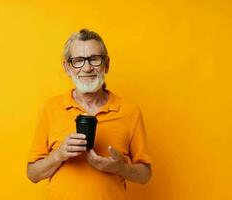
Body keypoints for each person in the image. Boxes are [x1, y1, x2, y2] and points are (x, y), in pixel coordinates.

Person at [26, 29, 152, 200]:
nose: (87, 67)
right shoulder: (50, 108)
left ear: (106, 64)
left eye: (94, 59)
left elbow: (144, 174)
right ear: (67, 68)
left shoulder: (130, 111)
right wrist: (59, 154)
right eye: (78, 61)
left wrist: (119, 168)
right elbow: (33, 174)